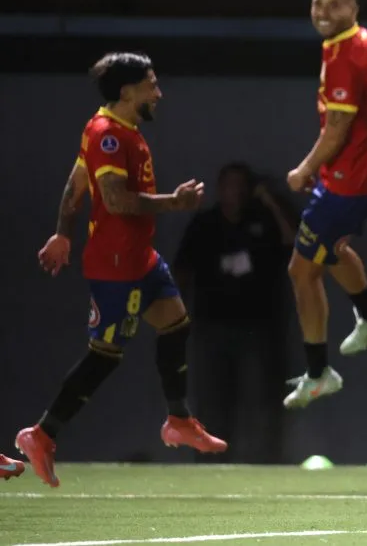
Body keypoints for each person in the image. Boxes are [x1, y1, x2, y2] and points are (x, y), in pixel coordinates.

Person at [23, 52, 226, 488]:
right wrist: (174, 202)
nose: (158, 92)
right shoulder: (108, 136)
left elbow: (76, 183)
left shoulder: (112, 128)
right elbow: (114, 200)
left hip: (141, 257)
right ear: (127, 91)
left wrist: (62, 233)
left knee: (176, 324)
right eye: (151, 84)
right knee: (104, 358)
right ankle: (41, 434)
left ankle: (179, 419)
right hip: (117, 266)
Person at [283, 0, 367, 409]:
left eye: (335, 4)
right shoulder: (354, 41)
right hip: (356, 174)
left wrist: (305, 167)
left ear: (354, 8)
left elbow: (338, 127)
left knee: (301, 270)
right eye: (318, 4)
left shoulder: (346, 56)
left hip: (350, 181)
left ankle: (318, 374)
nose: (324, 12)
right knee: (328, 251)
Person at [174, 162, 295, 463]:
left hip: (258, 329)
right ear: (219, 189)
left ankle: (264, 464)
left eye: (242, 185)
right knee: (212, 400)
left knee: (261, 399)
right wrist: (176, 317)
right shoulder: (205, 225)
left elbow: (292, 241)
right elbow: (182, 271)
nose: (236, 192)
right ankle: (210, 465)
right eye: (230, 185)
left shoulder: (263, 221)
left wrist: (269, 200)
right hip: (213, 327)